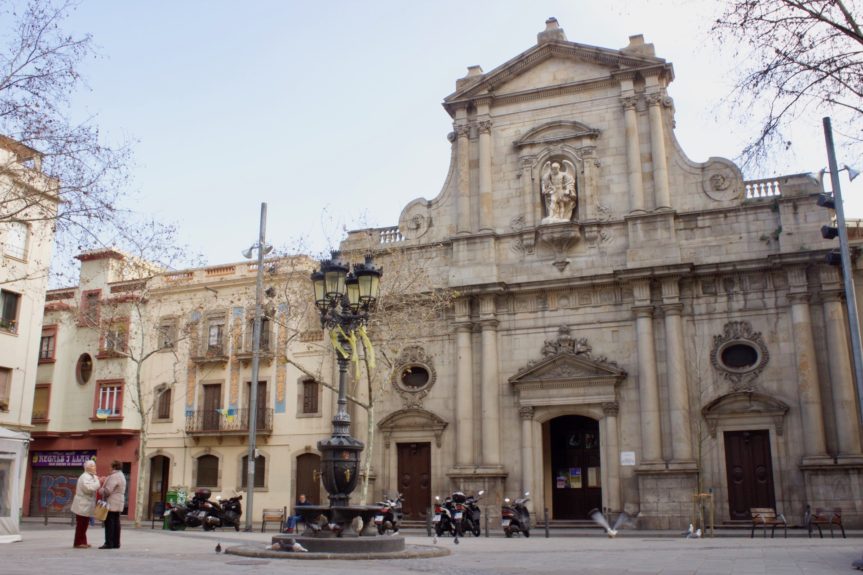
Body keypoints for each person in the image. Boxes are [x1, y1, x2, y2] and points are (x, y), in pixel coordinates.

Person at [70, 460, 100, 548]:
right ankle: (78, 543)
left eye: (94, 465)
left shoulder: (92, 476)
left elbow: (96, 481)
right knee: (81, 524)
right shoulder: (84, 477)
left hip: (87, 505)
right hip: (82, 504)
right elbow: (88, 488)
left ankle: (83, 541)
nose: (94, 467)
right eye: (92, 466)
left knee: (85, 524)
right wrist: (99, 482)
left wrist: (100, 480)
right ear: (87, 468)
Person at [98, 460, 126, 549]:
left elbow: (107, 491)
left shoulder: (114, 476)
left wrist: (100, 489)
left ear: (114, 467)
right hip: (119, 501)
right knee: (116, 523)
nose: (109, 468)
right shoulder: (121, 475)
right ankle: (116, 543)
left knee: (109, 523)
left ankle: (109, 543)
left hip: (112, 502)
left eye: (110, 466)